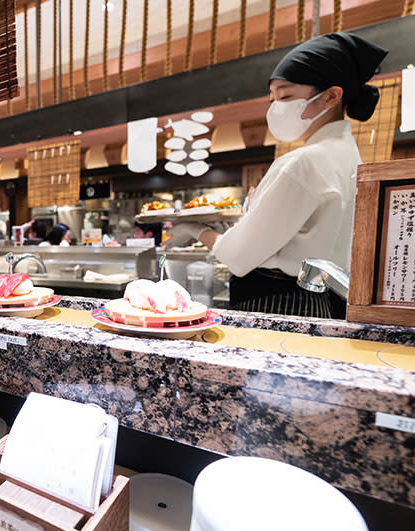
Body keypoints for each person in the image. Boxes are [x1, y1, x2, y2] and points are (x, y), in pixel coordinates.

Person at [166, 33, 387, 318]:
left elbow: (237, 255)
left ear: (331, 96)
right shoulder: (348, 158)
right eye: (272, 98)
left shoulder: (304, 162)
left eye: (285, 96)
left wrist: (195, 230)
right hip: (319, 302)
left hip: (277, 302)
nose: (275, 108)